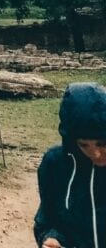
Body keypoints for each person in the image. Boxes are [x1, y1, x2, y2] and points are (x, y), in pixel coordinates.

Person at [35, 82, 106, 248]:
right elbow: (47, 218)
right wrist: (51, 238)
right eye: (84, 145)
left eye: (101, 143)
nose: (95, 153)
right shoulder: (55, 164)